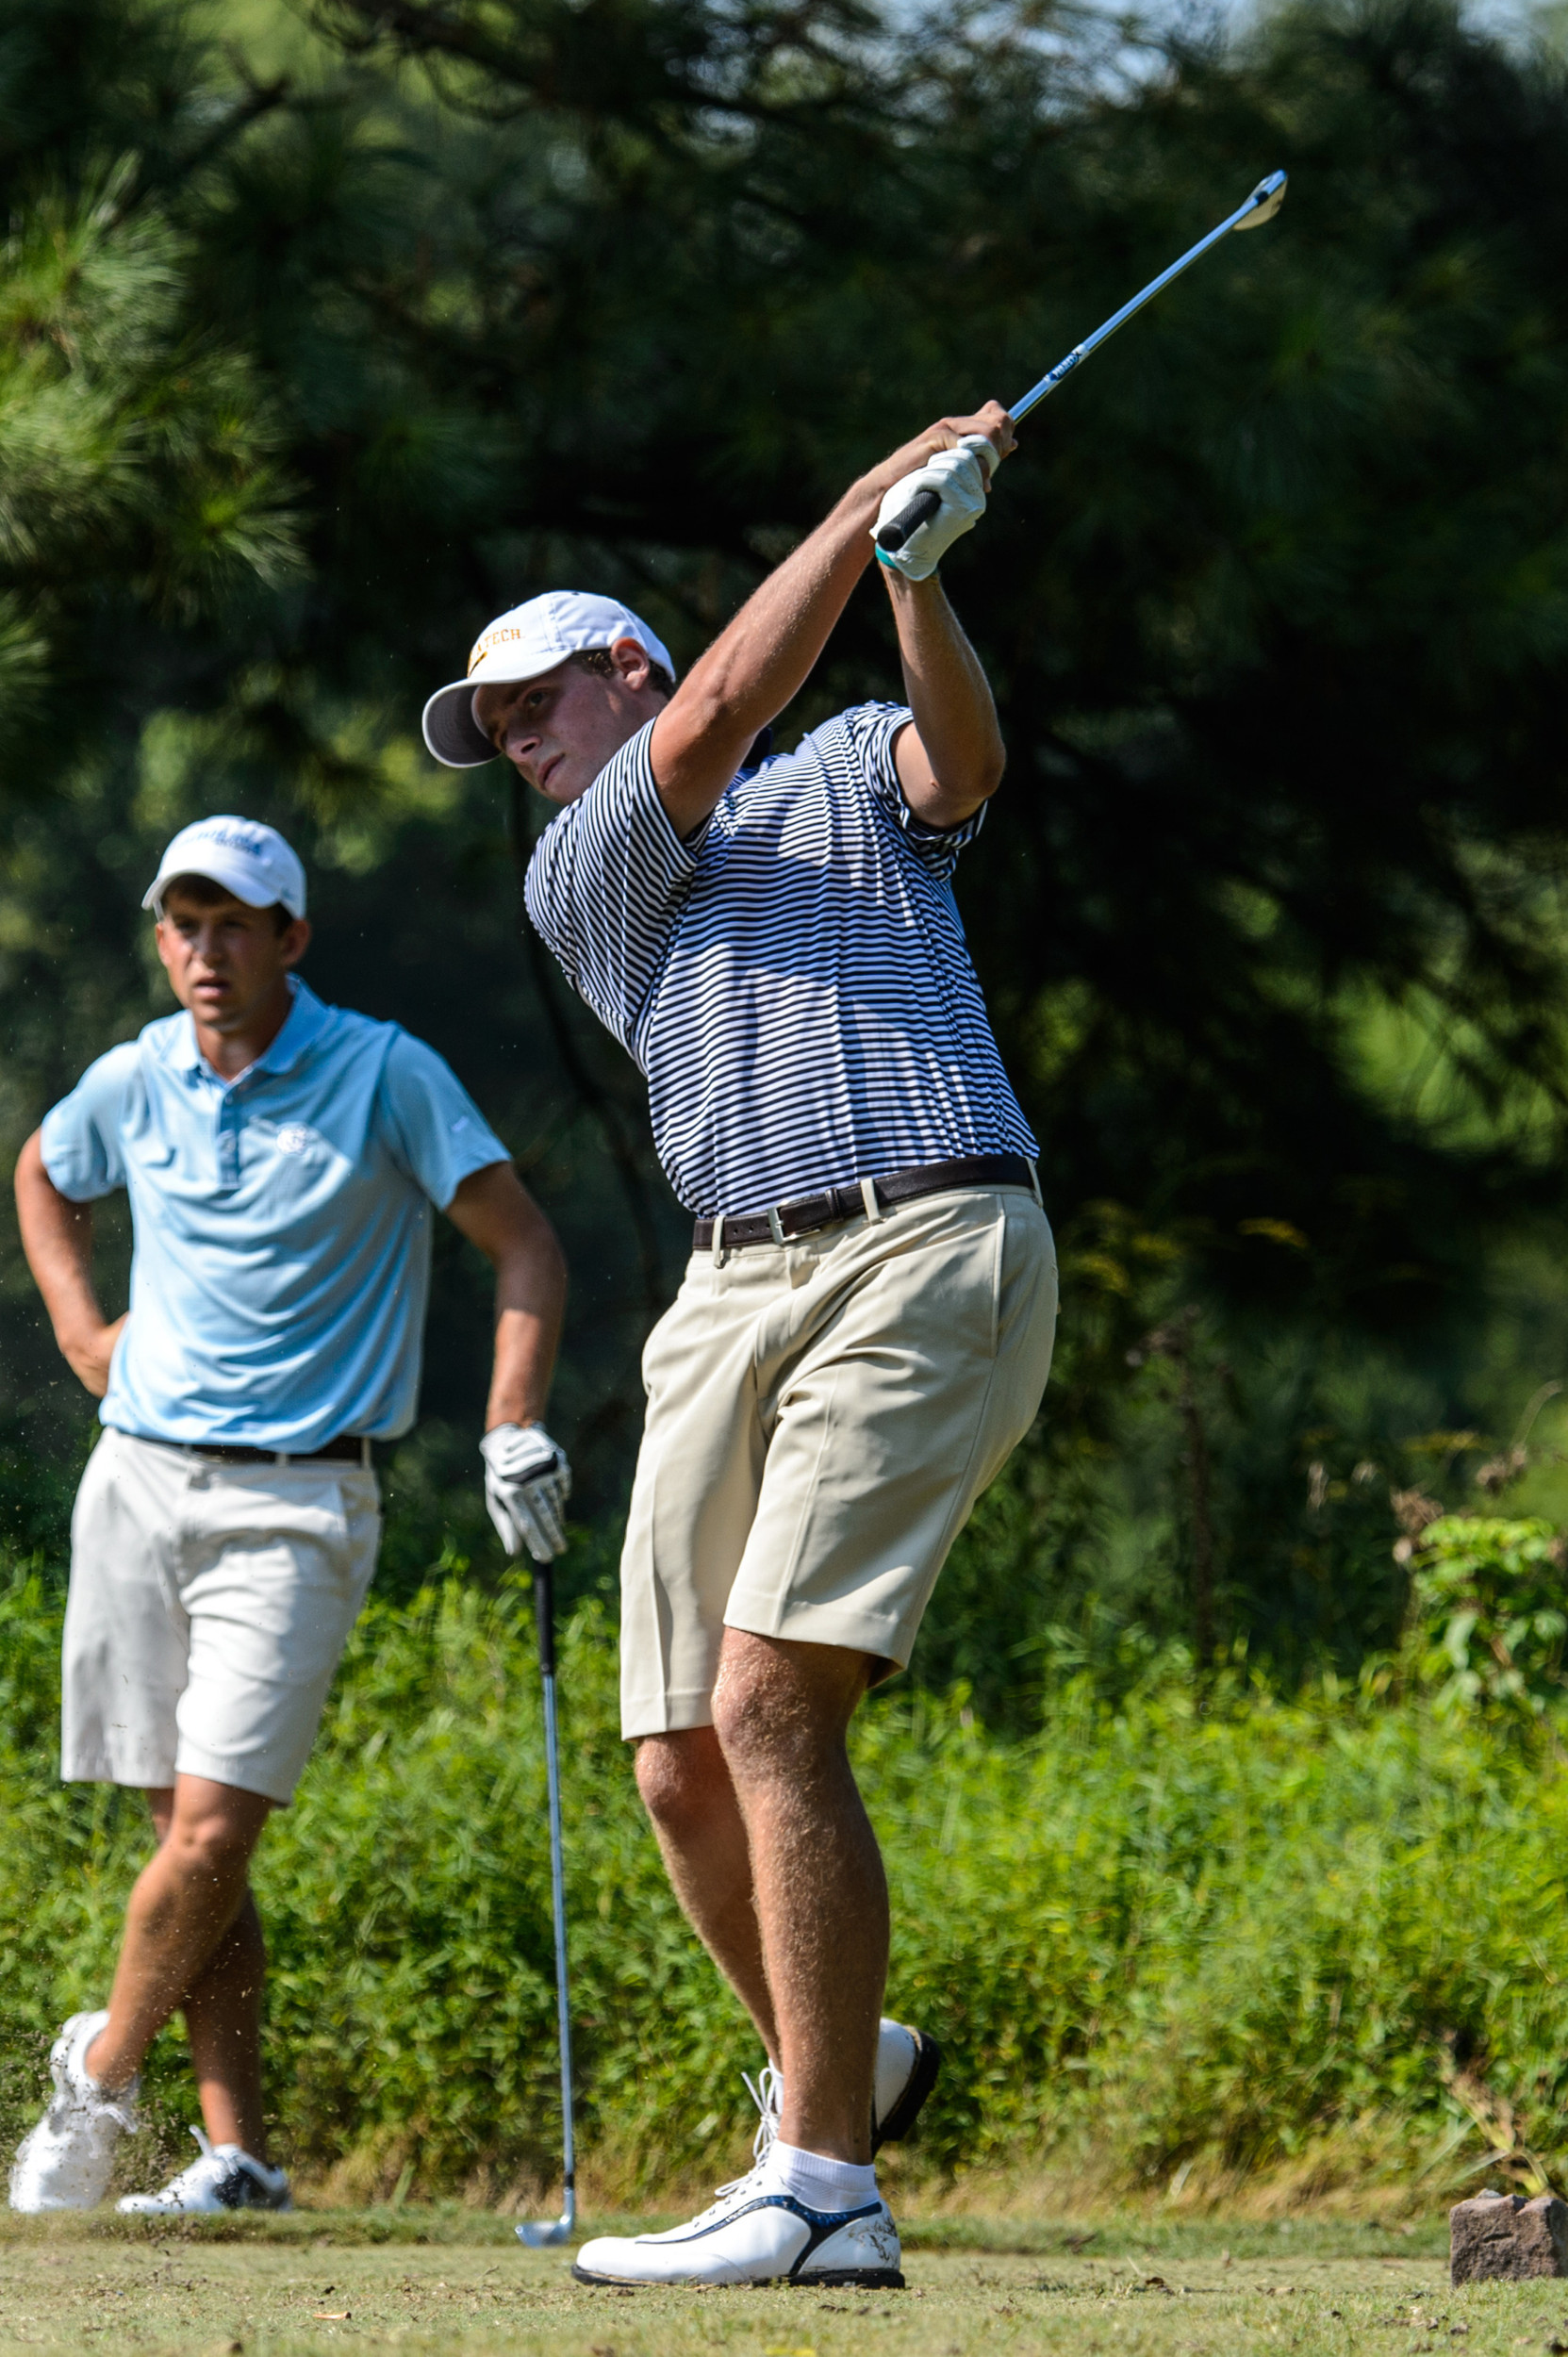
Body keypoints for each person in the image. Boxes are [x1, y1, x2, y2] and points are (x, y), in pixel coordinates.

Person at [421, 404, 1057, 2288]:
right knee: (678, 1749)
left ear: (612, 661)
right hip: (729, 1280)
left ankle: (822, 2181)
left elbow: (960, 755)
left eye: (534, 704)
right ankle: (834, 2060)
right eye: (499, 732)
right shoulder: (587, 876)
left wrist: (913, 578)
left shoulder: (848, 767)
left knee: (776, 1703)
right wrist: (863, 499)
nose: (519, 747)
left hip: (925, 1231)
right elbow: (709, 719)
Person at [9, 815, 570, 2216]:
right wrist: (84, 1338)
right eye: (183, 924)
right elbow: (42, 1171)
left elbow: (526, 1245)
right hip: (136, 1481)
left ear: (291, 939)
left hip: (301, 1500)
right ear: (161, 938)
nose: (206, 950)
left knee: (210, 1840)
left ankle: (98, 2082)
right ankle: (240, 2155)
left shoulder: (387, 1072)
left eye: (235, 924)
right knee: (191, 1849)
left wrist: (509, 1424)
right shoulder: (138, 1075)